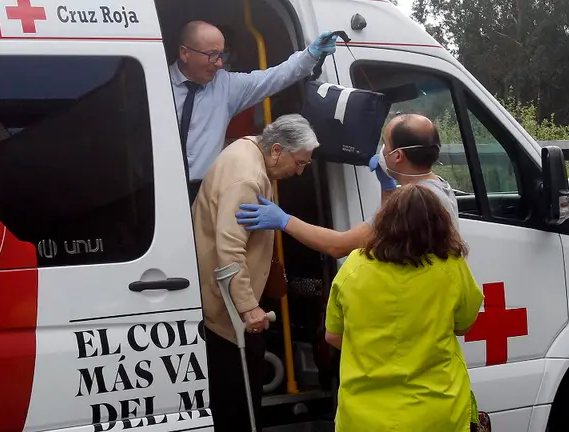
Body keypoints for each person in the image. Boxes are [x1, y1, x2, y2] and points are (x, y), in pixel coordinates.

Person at [193, 114, 319, 431]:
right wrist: (249, 307)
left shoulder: (248, 149)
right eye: (300, 162)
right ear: (277, 150)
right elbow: (230, 249)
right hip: (229, 315)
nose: (300, 171)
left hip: (225, 302)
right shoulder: (247, 178)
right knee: (239, 405)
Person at [324, 183, 484, 431]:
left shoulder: (353, 266)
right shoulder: (451, 267)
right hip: (436, 411)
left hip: (363, 416)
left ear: (384, 222)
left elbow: (333, 334)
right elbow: (464, 326)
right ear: (439, 225)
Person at [235, 113, 458, 258]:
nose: (381, 149)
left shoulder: (416, 204)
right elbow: (390, 227)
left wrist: (284, 220)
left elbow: (339, 245)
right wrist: (387, 187)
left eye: (386, 144)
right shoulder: (438, 187)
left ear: (398, 155)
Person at [170, 20, 338, 202]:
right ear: (184, 53)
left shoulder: (226, 85)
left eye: (221, 55)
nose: (219, 63)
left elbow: (273, 78)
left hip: (204, 192)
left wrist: (309, 56)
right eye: (212, 55)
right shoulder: (152, 83)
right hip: (156, 188)